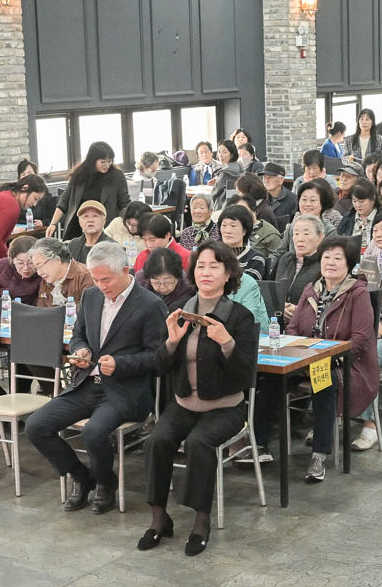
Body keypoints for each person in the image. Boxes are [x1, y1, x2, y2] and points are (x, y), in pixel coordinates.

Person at [22, 242, 167, 514]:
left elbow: (158, 356)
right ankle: (81, 476)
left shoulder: (150, 305)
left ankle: (104, 483)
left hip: (126, 390)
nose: (101, 286)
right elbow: (78, 335)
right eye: (96, 279)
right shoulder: (91, 296)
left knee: (94, 431)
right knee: (36, 425)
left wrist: (120, 364)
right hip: (87, 383)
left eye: (106, 279)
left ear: (126, 271)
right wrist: (81, 350)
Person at [140, 243, 261, 558]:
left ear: (228, 274)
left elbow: (245, 373)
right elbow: (159, 367)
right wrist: (171, 343)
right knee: (157, 440)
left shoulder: (240, 317)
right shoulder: (179, 310)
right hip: (184, 404)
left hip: (226, 406)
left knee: (199, 442)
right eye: (201, 266)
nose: (206, 272)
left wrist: (227, 343)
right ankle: (159, 517)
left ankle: (201, 520)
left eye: (214, 266)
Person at [285, 234, 377, 485]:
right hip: (303, 359)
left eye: (338, 258)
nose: (331, 262)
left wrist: (330, 358)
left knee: (322, 382)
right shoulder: (311, 289)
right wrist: (299, 352)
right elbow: (292, 327)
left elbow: (361, 338)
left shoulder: (357, 293)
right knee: (270, 381)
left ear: (349, 264)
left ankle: (319, 455)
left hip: (344, 364)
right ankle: (258, 445)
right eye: (326, 257)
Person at [55, 142, 130, 231]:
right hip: (78, 227)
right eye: (103, 162)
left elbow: (125, 204)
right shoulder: (79, 174)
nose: (107, 165)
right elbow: (64, 201)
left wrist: (128, 226)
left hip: (107, 228)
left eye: (109, 161)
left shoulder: (117, 176)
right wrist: (53, 223)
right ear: (92, 160)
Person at [0, 234, 45, 305]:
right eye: (20, 263)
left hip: (28, 310)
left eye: (31, 263)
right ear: (12, 260)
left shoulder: (43, 272)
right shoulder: (4, 265)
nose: (26, 268)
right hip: (0, 308)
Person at [31, 238, 94, 308]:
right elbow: (41, 309)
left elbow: (89, 309)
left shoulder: (86, 277)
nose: (39, 273)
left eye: (40, 266)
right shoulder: (46, 279)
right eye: (36, 268)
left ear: (57, 260)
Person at [136, 242, 191, 314]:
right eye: (156, 281)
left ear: (178, 276)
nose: (162, 287)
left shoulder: (188, 289)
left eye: (167, 281)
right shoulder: (140, 282)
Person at [62, 199, 109, 265]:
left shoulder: (111, 247)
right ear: (80, 222)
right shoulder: (73, 245)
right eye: (85, 216)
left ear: (104, 221)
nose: (90, 220)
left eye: (95, 216)